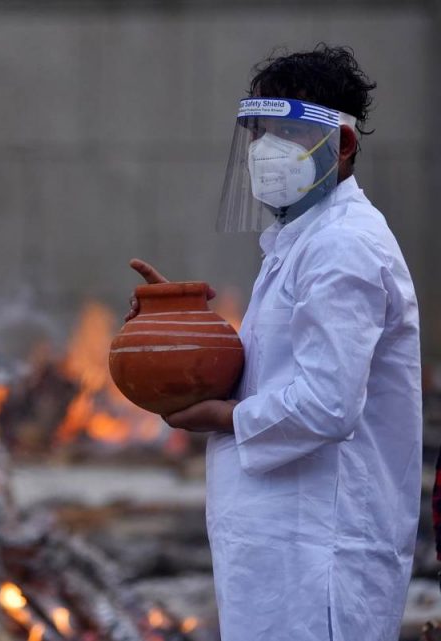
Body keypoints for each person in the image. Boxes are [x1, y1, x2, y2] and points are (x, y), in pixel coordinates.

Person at [126, 45, 421, 640]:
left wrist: (224, 415)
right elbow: (287, 372)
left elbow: (328, 405)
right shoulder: (302, 240)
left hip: (323, 552)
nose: (268, 150)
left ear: (341, 146)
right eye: (262, 131)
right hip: (283, 546)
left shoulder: (343, 248)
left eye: (289, 132)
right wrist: (180, 328)